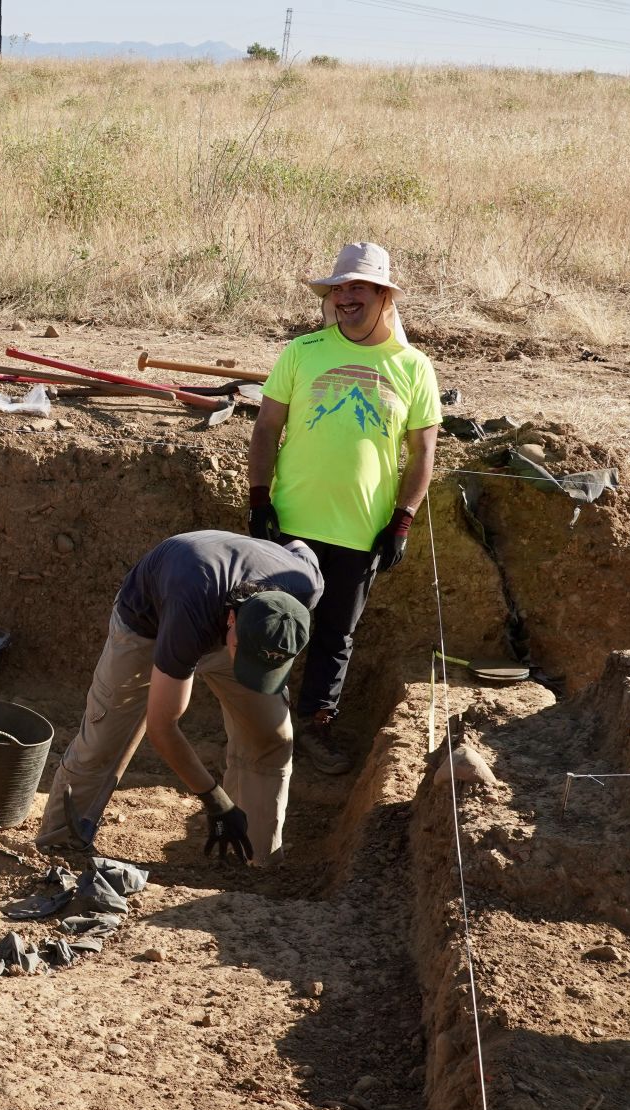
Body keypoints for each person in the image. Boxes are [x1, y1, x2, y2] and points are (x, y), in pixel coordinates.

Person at [248, 241, 441, 775]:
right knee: (274, 625)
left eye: (358, 287)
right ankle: (259, 726)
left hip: (361, 530)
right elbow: (266, 427)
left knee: (335, 634)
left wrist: (402, 521)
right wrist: (259, 499)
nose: (345, 297)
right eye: (339, 288)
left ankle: (313, 727)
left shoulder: (413, 367)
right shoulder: (302, 351)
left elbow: (423, 452)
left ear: (383, 296)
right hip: (290, 521)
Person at [33, 530, 321, 866]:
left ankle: (255, 861)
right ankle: (59, 847)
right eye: (244, 656)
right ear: (232, 620)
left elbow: (299, 546)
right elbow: (162, 727)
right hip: (150, 626)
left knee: (272, 735)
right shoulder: (190, 608)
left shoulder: (305, 585)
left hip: (236, 624)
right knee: (105, 738)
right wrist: (215, 800)